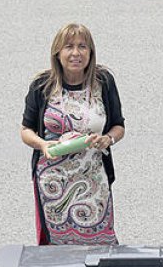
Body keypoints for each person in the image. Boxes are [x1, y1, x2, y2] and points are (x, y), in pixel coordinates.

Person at [21, 23, 125, 245]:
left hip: (94, 179)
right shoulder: (42, 85)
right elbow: (26, 130)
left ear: (91, 52)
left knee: (100, 242)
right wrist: (42, 145)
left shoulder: (103, 81)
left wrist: (108, 139)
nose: (76, 53)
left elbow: (118, 126)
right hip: (52, 183)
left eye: (82, 46)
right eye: (69, 47)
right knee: (57, 247)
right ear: (57, 53)